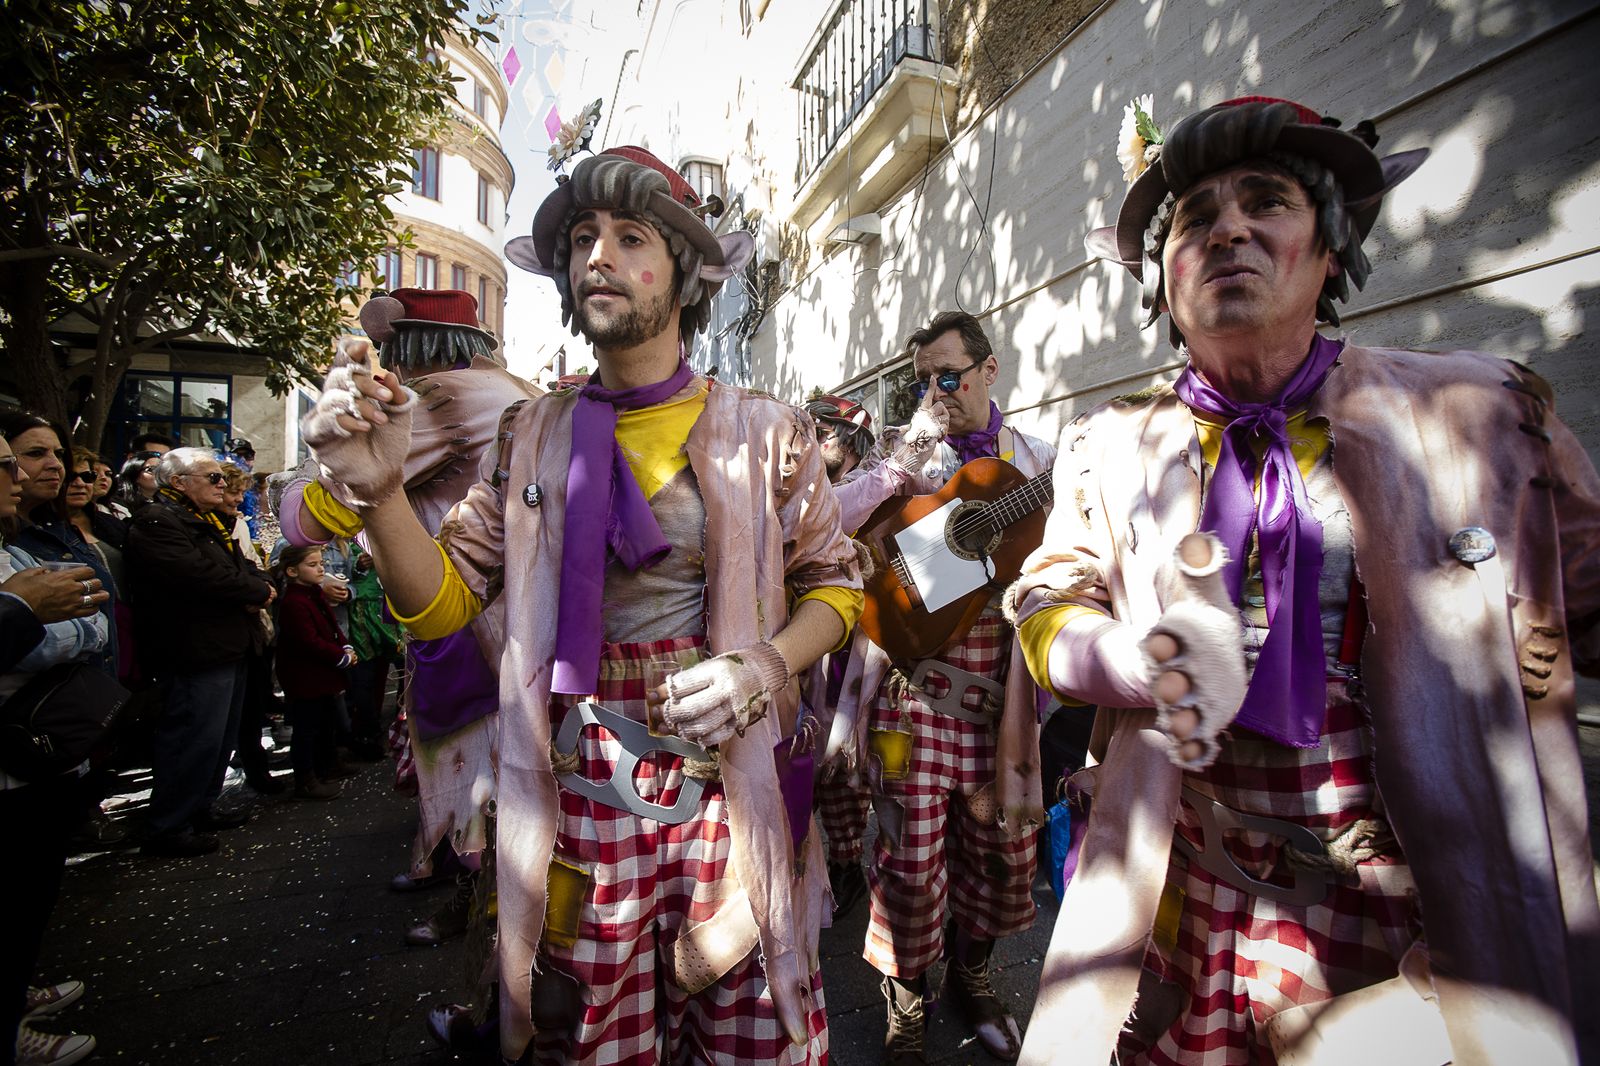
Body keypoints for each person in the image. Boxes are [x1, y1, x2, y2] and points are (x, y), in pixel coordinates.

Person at [1010, 95, 1600, 1066]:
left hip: (1415, 931)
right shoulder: (1105, 447)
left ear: (1330, 249)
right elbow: (1044, 606)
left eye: (1267, 202)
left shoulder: (1485, 413)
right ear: (1161, 276)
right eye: (1194, 219)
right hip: (1184, 909)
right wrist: (1134, 660)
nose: (1227, 230)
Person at [303, 144, 864, 1064]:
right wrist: (380, 495)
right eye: (581, 239)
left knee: (754, 1037)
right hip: (580, 799)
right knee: (592, 1040)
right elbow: (443, 603)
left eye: (630, 236)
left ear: (683, 273)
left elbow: (837, 586)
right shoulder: (529, 433)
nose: (598, 255)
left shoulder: (770, 430)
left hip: (735, 795)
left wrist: (765, 664)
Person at [820, 311, 1053, 1063]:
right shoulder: (907, 455)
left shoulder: (1040, 461)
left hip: (999, 712)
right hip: (911, 705)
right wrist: (903, 463)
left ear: (990, 370)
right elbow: (830, 522)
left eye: (948, 376)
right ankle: (907, 1001)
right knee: (909, 862)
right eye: (923, 380)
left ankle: (972, 980)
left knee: (1001, 856)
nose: (935, 392)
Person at [275, 288, 539, 939]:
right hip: (526, 610)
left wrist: (306, 475)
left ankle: (482, 903)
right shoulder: (520, 391)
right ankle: (466, 881)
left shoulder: (438, 399)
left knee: (475, 764)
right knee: (504, 761)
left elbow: (310, 520)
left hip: (462, 609)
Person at [1, 429, 109, 1066]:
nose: (22, 473)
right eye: (10, 461)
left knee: (31, 890)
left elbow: (93, 618)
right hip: (13, 749)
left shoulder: (14, 548)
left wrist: (59, 621)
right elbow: (51, 637)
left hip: (44, 750)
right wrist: (25, 614)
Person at [124, 447, 275, 857]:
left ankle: (200, 807)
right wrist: (254, 590)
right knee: (193, 738)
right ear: (179, 482)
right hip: (195, 649)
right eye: (213, 477)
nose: (222, 483)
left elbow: (242, 565)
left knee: (218, 738)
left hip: (226, 643)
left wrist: (259, 583)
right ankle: (169, 825)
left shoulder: (208, 520)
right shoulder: (158, 522)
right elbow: (198, 575)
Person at [799, 394, 877, 919]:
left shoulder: (870, 488)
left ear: (849, 443)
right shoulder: (799, 489)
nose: (811, 440)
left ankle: (847, 864)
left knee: (845, 763)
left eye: (823, 433)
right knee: (803, 757)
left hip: (855, 649)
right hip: (802, 644)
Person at [219, 463, 283, 797]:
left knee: (251, 707)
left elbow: (254, 567)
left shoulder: (238, 525)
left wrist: (261, 587)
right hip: (226, 635)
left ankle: (256, 766)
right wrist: (254, 590)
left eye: (240, 493)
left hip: (253, 628)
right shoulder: (207, 528)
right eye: (231, 493)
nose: (237, 499)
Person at [271, 545, 349, 801]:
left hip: (322, 675)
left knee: (326, 722)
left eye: (321, 564)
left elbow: (331, 626)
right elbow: (309, 641)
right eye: (313, 565)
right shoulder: (294, 602)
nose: (321, 569)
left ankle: (327, 765)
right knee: (307, 728)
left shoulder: (314, 594)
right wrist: (339, 656)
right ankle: (306, 779)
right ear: (293, 571)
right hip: (305, 677)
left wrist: (344, 645)